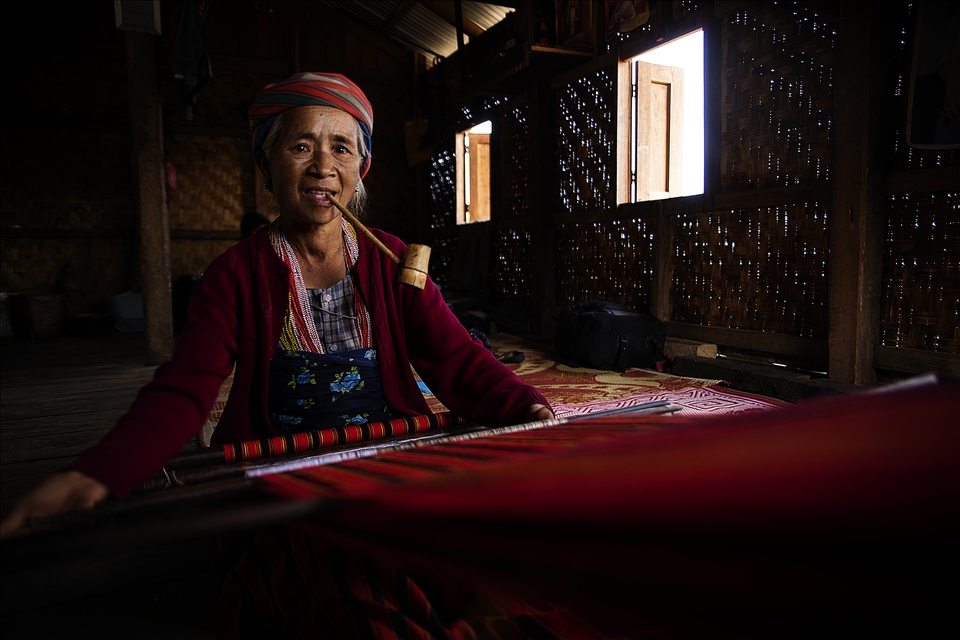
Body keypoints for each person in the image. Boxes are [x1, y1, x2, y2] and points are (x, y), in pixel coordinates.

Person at [0, 72, 553, 634]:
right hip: (279, 474)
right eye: (299, 146)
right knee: (344, 562)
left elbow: (456, 359)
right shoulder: (233, 276)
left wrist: (527, 409)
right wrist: (100, 474)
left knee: (470, 548)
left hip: (389, 461)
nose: (321, 165)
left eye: (341, 147)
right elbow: (186, 387)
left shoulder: (393, 262)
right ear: (267, 168)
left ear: (359, 170)